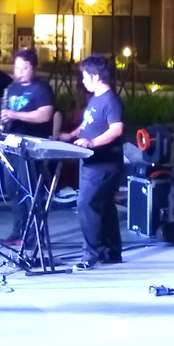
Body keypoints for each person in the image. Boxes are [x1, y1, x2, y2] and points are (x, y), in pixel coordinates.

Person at [57, 55, 124, 270]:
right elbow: (88, 124)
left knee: (86, 204)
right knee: (104, 205)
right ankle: (111, 252)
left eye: (85, 75)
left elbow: (116, 129)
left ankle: (91, 253)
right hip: (92, 162)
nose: (83, 80)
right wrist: (71, 136)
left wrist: (92, 142)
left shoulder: (110, 100)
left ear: (96, 76)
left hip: (104, 163)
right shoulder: (95, 99)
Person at [0, 49, 56, 244]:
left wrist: (15, 115)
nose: (19, 72)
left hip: (31, 148)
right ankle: (19, 231)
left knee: (31, 191)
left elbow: (45, 114)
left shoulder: (42, 88)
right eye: (17, 68)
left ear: (34, 68)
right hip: (12, 145)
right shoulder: (12, 88)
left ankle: (35, 234)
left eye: (24, 68)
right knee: (12, 189)